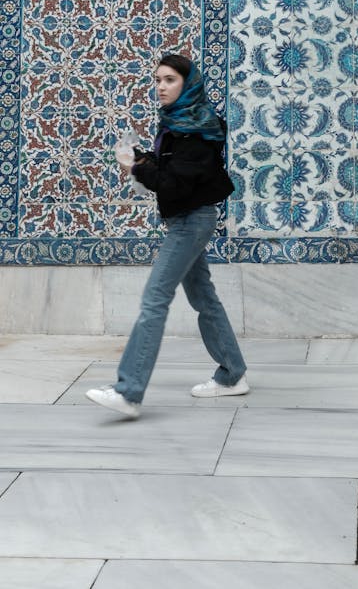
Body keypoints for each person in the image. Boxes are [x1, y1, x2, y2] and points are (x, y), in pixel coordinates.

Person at [86, 53, 248, 418]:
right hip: (185, 220)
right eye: (157, 79)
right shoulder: (178, 123)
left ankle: (128, 391)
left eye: (170, 79)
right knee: (204, 298)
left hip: (191, 221)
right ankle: (232, 374)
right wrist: (141, 159)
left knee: (154, 299)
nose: (161, 86)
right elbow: (172, 173)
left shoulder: (198, 129)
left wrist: (137, 168)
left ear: (187, 84)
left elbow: (173, 185)